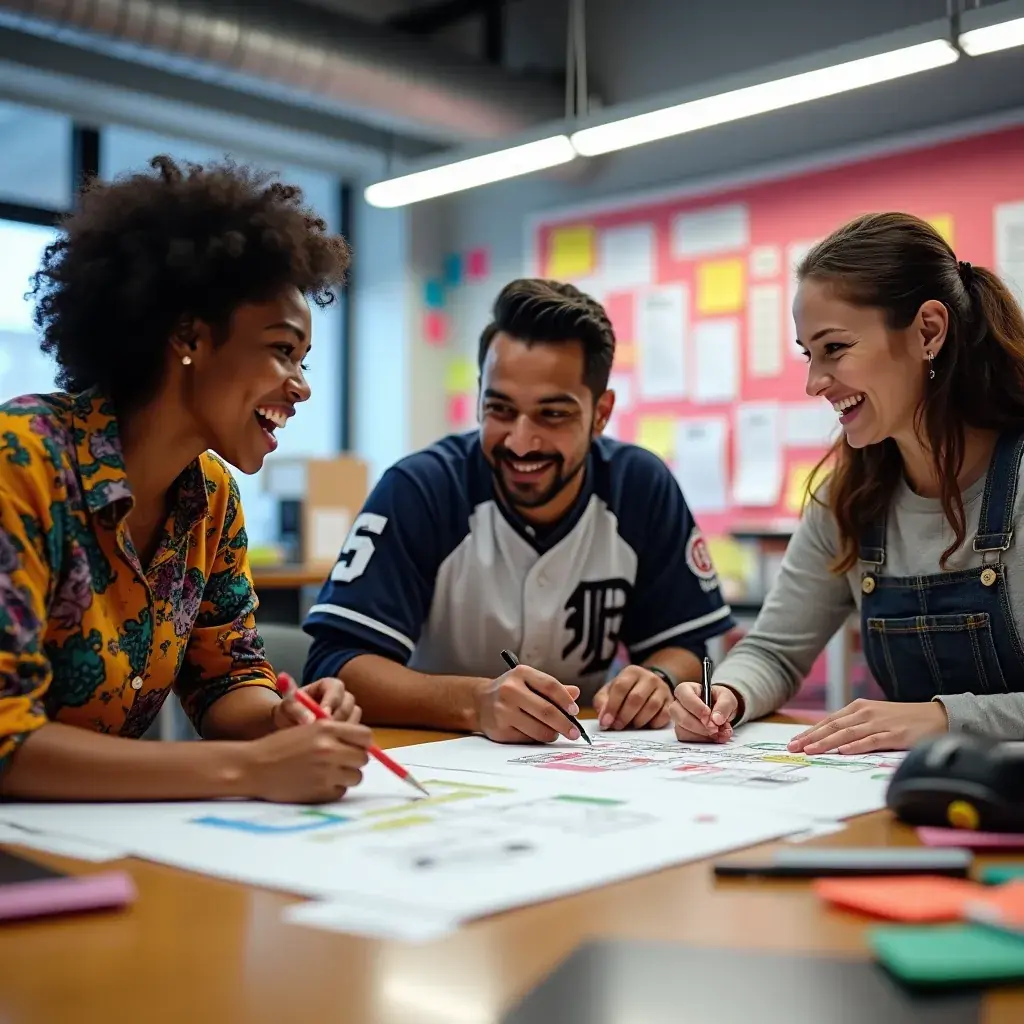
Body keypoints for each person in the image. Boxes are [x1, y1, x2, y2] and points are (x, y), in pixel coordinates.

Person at [0, 155, 371, 803]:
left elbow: (226, 679)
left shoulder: (211, 495)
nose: (303, 386)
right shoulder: (22, 460)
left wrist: (282, 719)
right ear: (189, 336)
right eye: (283, 350)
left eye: (305, 360)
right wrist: (252, 771)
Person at [302, 278, 734, 743]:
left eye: (553, 415)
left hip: (584, 766)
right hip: (436, 759)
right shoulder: (419, 489)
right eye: (501, 409)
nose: (521, 441)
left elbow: (683, 643)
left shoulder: (640, 486)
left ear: (602, 413)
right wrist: (474, 702)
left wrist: (657, 678)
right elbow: (334, 662)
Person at [669, 211, 1024, 751]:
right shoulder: (849, 499)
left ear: (929, 330)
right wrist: (728, 696)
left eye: (835, 348)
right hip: (914, 805)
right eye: (809, 355)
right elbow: (774, 651)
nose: (815, 383)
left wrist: (943, 720)